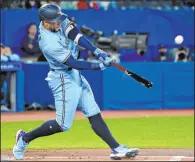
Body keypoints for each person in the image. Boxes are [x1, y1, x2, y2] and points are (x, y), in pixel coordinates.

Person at [13, 4, 139, 160]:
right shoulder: (48, 42)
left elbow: (75, 35)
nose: (59, 22)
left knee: (93, 112)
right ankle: (24, 138)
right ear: (45, 22)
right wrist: (98, 65)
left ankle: (116, 148)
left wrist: (96, 50)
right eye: (55, 21)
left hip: (75, 75)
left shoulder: (56, 21)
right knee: (63, 125)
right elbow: (74, 63)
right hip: (63, 79)